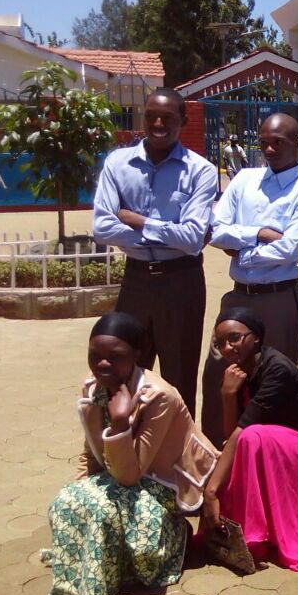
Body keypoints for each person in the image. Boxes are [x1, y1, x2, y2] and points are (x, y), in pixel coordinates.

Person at [44, 312, 218, 595]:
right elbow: (91, 452)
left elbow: (130, 476)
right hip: (123, 474)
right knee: (67, 500)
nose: (102, 364)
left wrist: (122, 421)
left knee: (101, 507)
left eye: (115, 357)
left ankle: (170, 542)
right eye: (94, 355)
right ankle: (92, 565)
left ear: (137, 355)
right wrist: (76, 500)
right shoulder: (92, 387)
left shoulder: (159, 396)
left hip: (164, 483)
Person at [92, 87, 217, 415]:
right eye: (151, 116)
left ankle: (178, 457)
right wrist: (168, 233)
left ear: (183, 121)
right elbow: (103, 228)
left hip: (182, 283)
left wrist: (136, 221)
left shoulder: (200, 171)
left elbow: (192, 239)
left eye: (167, 118)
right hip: (136, 283)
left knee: (180, 376)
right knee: (125, 369)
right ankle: (127, 449)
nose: (158, 123)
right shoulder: (118, 164)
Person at [202, 113, 298, 446]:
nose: (269, 149)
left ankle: (267, 457)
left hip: (278, 299)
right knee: (217, 377)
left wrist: (240, 250)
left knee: (273, 382)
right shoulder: (244, 181)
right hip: (238, 298)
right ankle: (216, 458)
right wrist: (256, 232)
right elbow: (215, 230)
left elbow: (288, 249)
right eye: (264, 142)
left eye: (278, 143)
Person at [199, 308, 298, 572]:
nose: (227, 347)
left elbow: (241, 433)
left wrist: (211, 491)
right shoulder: (239, 370)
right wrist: (227, 395)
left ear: (255, 338)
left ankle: (256, 531)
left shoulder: (277, 368)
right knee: (245, 443)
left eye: (235, 338)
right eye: (220, 343)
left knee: (251, 437)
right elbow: (233, 434)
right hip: (276, 446)